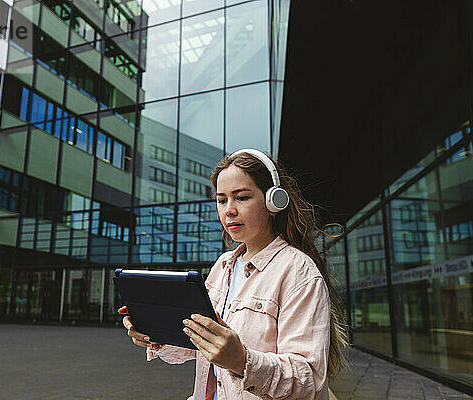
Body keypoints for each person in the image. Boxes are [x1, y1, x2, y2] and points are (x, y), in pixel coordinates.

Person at [118, 149, 347, 400]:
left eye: (242, 198)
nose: (229, 210)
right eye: (221, 200)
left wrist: (241, 360)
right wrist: (155, 333)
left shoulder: (299, 272)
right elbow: (198, 345)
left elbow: (309, 380)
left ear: (274, 203)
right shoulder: (223, 266)